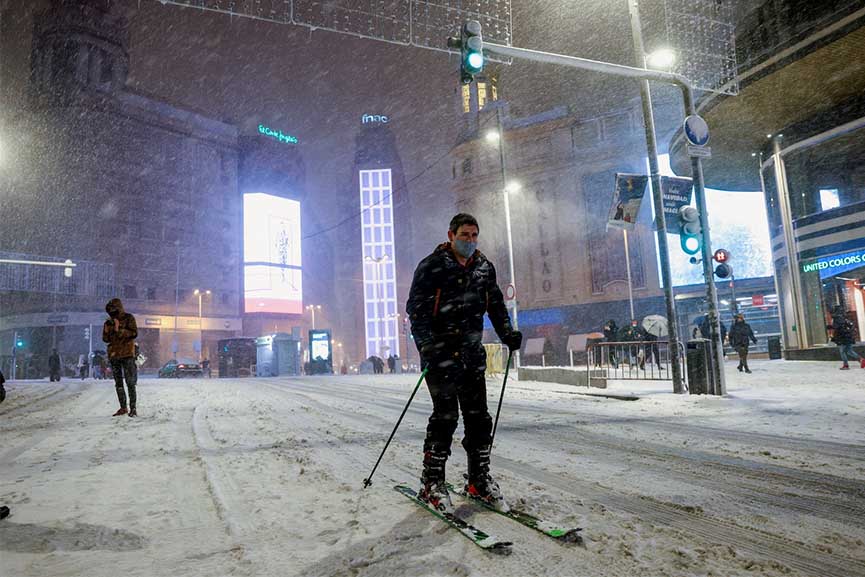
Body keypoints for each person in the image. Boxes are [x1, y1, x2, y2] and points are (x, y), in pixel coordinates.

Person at [407, 213, 522, 514]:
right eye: (464, 235)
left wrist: (508, 333)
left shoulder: (484, 268)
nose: (470, 241)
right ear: (450, 235)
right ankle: (432, 482)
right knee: (445, 417)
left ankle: (478, 479)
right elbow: (416, 311)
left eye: (474, 235)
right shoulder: (431, 266)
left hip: (471, 355)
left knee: (479, 419)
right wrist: (427, 345)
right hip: (440, 355)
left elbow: (495, 306)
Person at [102, 298, 138, 417]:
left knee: (130, 382)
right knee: (118, 383)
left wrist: (119, 329)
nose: (112, 313)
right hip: (114, 355)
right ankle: (123, 407)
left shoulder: (129, 318)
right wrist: (107, 331)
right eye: (110, 311)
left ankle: (133, 408)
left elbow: (134, 333)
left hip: (127, 354)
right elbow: (105, 339)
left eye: (114, 310)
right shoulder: (108, 322)